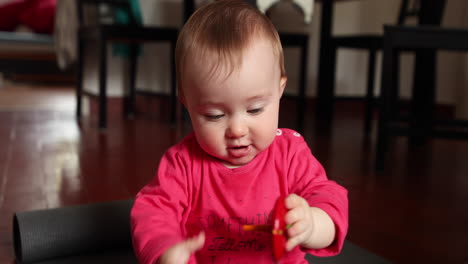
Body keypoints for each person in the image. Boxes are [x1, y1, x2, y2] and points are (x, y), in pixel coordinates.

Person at [130, 1, 348, 263]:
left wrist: (312, 224)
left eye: (255, 110)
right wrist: (166, 252)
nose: (237, 130)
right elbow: (152, 211)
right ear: (186, 103)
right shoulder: (182, 164)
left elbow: (330, 200)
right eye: (215, 115)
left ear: (279, 90)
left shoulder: (291, 155)